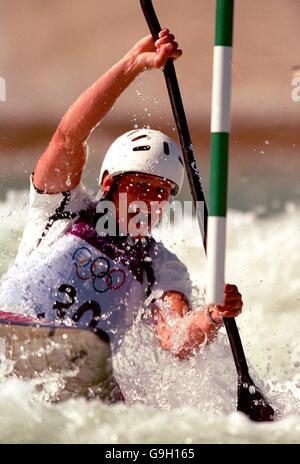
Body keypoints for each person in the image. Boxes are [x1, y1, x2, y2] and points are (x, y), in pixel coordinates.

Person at [0, 29, 242, 359]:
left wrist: (213, 315)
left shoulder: (161, 267)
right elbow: (68, 138)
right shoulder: (63, 209)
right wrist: (132, 66)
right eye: (141, 185)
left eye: (163, 192)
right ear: (108, 183)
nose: (151, 200)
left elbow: (176, 339)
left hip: (79, 370)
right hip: (11, 327)